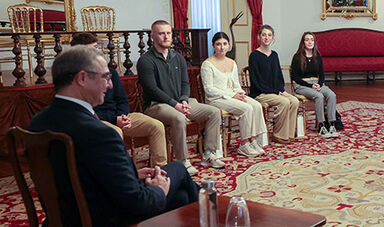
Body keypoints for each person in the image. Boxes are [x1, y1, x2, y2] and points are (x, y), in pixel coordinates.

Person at [28, 46, 199, 226]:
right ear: (82, 78)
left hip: (66, 216)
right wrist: (158, 189)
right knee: (179, 172)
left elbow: (77, 171)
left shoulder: (37, 122)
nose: (110, 85)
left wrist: (130, 175)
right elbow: (139, 203)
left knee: (181, 195)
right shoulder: (100, 133)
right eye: (106, 77)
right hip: (105, 218)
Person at [137, 20, 225, 175]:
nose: (166, 36)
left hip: (180, 102)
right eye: (161, 33)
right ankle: (182, 161)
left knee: (214, 112)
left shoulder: (178, 57)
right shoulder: (146, 60)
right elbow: (152, 89)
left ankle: (209, 154)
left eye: (168, 33)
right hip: (156, 105)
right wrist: (175, 104)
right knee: (179, 117)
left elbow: (186, 83)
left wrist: (183, 100)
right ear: (153, 36)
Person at [70, 33, 168, 167]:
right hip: (94, 121)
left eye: (96, 48)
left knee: (156, 126)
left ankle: (160, 170)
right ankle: (121, 175)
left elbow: (122, 100)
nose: (96, 52)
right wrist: (114, 120)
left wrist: (122, 116)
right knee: (115, 132)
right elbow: (83, 112)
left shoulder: (110, 72)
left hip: (119, 117)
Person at [200, 32, 267, 157]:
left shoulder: (232, 62)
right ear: (213, 46)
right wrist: (232, 95)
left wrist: (240, 94)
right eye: (218, 44)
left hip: (232, 95)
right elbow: (209, 89)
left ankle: (253, 140)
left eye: (225, 44)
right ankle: (244, 144)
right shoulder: (207, 64)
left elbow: (236, 84)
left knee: (256, 105)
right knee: (246, 108)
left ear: (229, 45)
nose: (222, 47)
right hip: (216, 98)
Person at [248, 25, 299, 144]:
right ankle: (278, 134)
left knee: (294, 101)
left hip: (275, 91)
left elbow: (279, 77)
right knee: (284, 102)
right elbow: (256, 81)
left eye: (269, 35)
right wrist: (276, 92)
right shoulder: (254, 56)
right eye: (263, 35)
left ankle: (289, 134)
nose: (266, 37)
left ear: (273, 37)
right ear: (259, 37)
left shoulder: (274, 55)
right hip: (261, 92)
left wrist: (280, 90)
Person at [291, 32, 339, 138]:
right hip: (302, 85)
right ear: (303, 42)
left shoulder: (317, 56)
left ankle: (332, 124)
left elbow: (322, 75)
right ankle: (321, 126)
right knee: (319, 96)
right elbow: (294, 76)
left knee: (332, 95)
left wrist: (319, 84)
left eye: (312, 40)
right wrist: (309, 85)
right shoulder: (297, 57)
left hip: (316, 83)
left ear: (314, 42)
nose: (309, 42)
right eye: (307, 40)